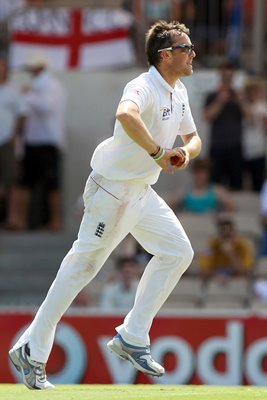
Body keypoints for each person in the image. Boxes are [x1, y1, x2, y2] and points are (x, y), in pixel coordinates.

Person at [9, 20, 201, 389]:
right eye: (186, 48)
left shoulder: (179, 92)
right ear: (165, 55)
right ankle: (32, 350)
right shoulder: (143, 85)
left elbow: (193, 138)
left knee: (178, 252)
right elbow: (126, 115)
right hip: (112, 190)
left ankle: (133, 336)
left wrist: (183, 154)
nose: (193, 53)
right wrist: (159, 151)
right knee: (82, 266)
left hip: (142, 192)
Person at [7, 53, 66, 231]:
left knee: (51, 184)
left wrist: (29, 95)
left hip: (47, 140)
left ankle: (55, 222)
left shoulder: (51, 85)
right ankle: (20, 221)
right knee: (25, 182)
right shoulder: (36, 85)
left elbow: (47, 108)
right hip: (32, 140)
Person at [203, 62, 244, 190]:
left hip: (235, 146)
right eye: (225, 77)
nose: (227, 80)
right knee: (214, 184)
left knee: (236, 184)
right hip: (217, 146)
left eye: (230, 77)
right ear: (220, 76)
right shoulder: (212, 96)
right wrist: (220, 101)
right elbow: (207, 116)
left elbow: (249, 116)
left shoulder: (239, 96)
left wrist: (240, 100)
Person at [0, 58, 26, 224]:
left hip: (6, 142)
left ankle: (12, 218)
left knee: (11, 180)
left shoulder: (13, 91)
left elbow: (22, 115)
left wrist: (15, 136)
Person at [198, 215, 255, 280]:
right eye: (224, 235)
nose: (227, 239)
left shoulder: (244, 245)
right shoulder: (212, 245)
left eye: (229, 234)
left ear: (235, 233)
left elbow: (246, 272)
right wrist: (218, 275)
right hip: (217, 278)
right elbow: (203, 270)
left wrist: (231, 254)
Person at [169, 158, 235, 214]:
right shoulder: (184, 191)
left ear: (208, 174)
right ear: (194, 173)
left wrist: (222, 216)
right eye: (198, 172)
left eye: (203, 173)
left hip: (210, 225)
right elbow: (169, 206)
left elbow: (232, 207)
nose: (200, 176)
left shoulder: (217, 190)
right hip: (189, 225)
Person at [242, 78, 267, 192]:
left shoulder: (262, 107)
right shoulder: (245, 106)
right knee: (245, 183)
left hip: (258, 150)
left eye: (255, 91)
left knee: (257, 181)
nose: (253, 94)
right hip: (245, 149)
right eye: (251, 91)